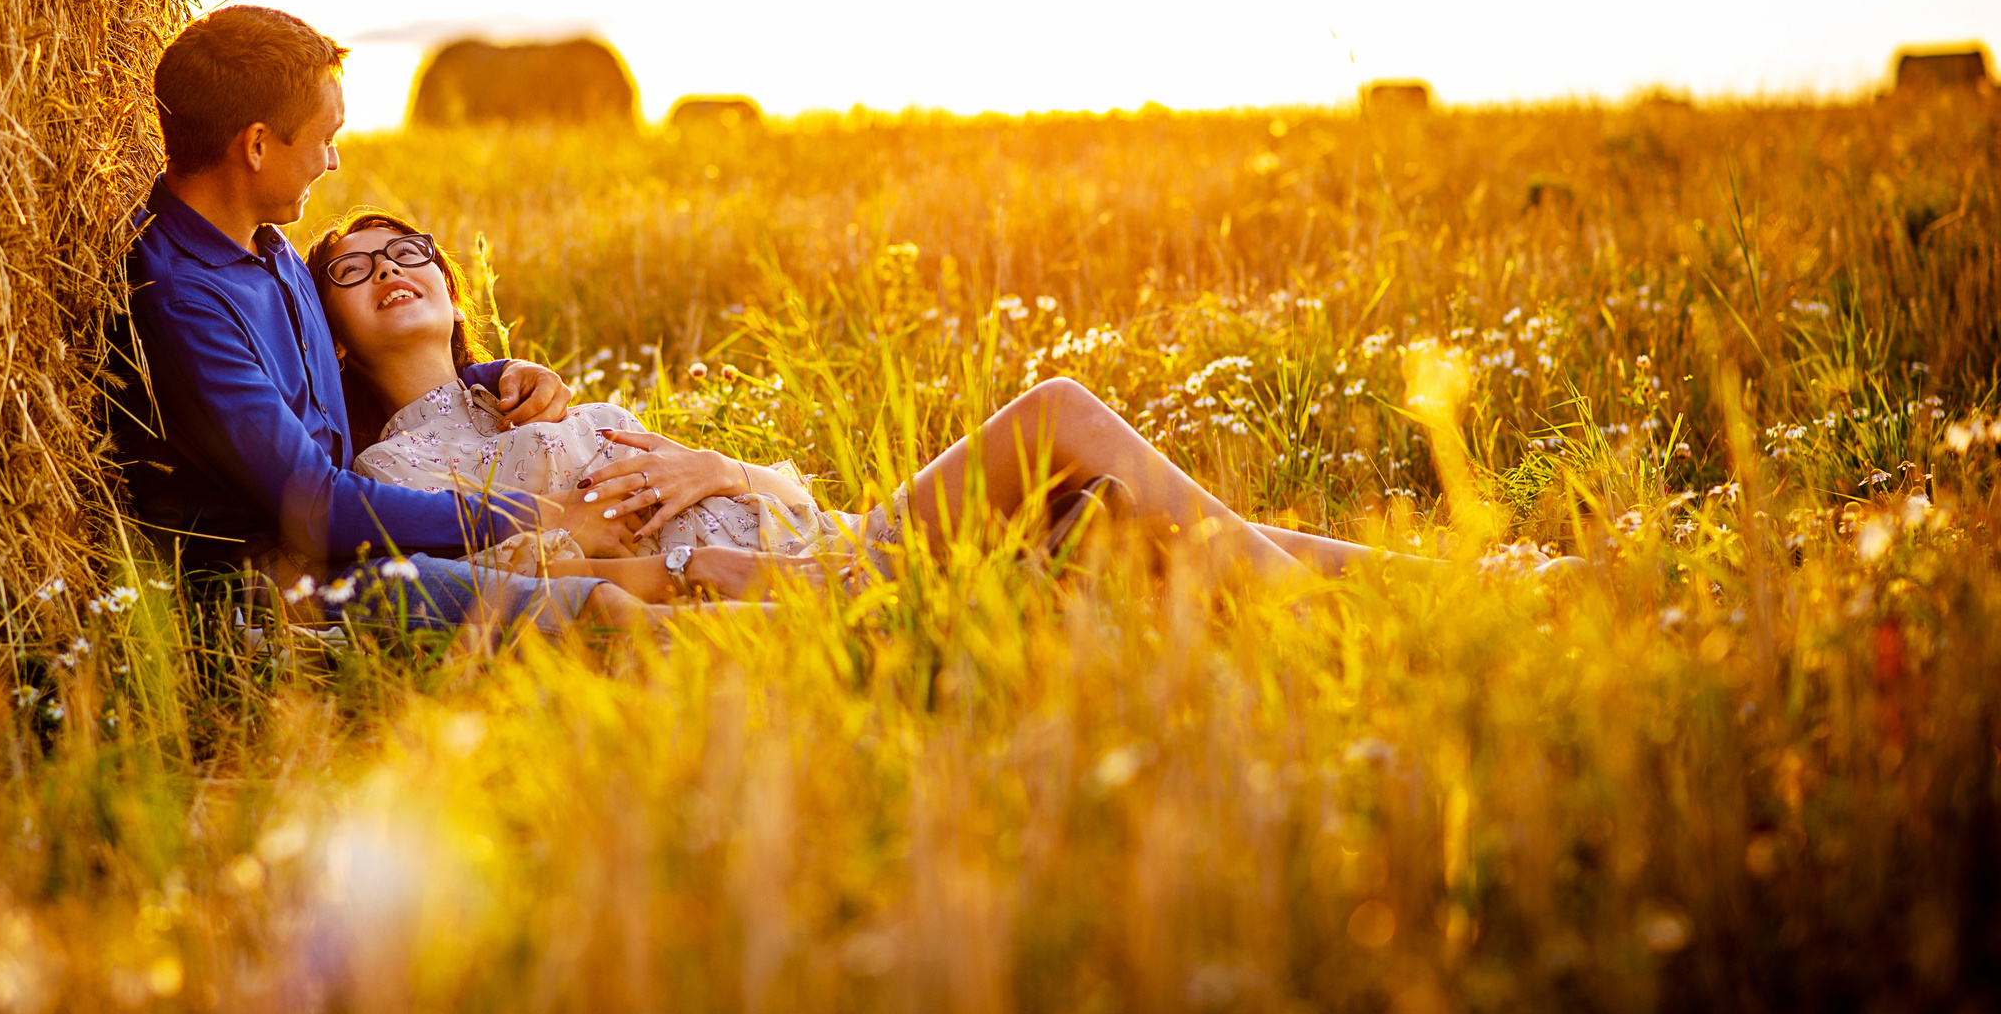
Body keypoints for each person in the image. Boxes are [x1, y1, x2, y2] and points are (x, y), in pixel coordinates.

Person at [307, 210, 1438, 603]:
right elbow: (518, 579)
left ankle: (1477, 584)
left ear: (455, 294)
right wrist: (712, 570)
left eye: (413, 251)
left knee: (1138, 519)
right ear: (334, 330)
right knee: (1055, 413)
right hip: (812, 586)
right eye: (356, 270)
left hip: (836, 537)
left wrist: (722, 468)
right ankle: (1315, 620)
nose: (394, 268)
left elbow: (793, 489)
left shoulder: (537, 400)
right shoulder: (395, 478)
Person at [113, 5, 659, 633]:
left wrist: (496, 372)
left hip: (360, 539)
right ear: (257, 145)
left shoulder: (264, 242)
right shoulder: (181, 299)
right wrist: (544, 513)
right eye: (325, 138)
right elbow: (314, 507)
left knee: (647, 571)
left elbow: (354, 361)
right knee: (601, 606)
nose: (333, 160)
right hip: (286, 583)